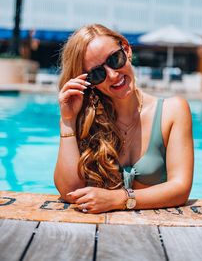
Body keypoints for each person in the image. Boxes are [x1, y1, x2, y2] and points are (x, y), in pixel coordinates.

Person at [54, 24, 194, 214]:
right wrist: (67, 121)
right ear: (88, 82)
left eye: (114, 59)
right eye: (97, 73)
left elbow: (180, 189)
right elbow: (71, 192)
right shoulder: (85, 118)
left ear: (126, 50)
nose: (112, 75)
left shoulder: (173, 111)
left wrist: (117, 199)